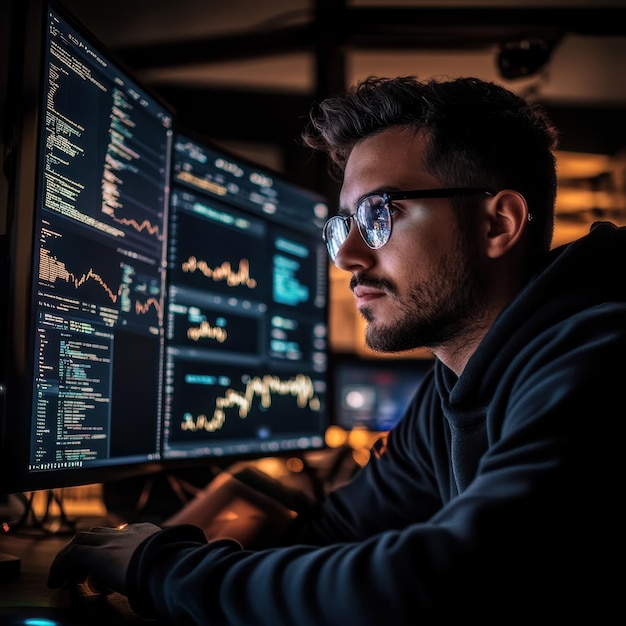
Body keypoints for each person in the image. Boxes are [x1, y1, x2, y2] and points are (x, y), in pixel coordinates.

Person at [47, 75, 625, 624]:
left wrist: (162, 568)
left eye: (380, 215)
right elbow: (338, 529)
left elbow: (447, 584)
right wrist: (178, 553)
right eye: (342, 224)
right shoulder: (457, 380)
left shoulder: (598, 359)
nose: (346, 254)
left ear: (499, 223)